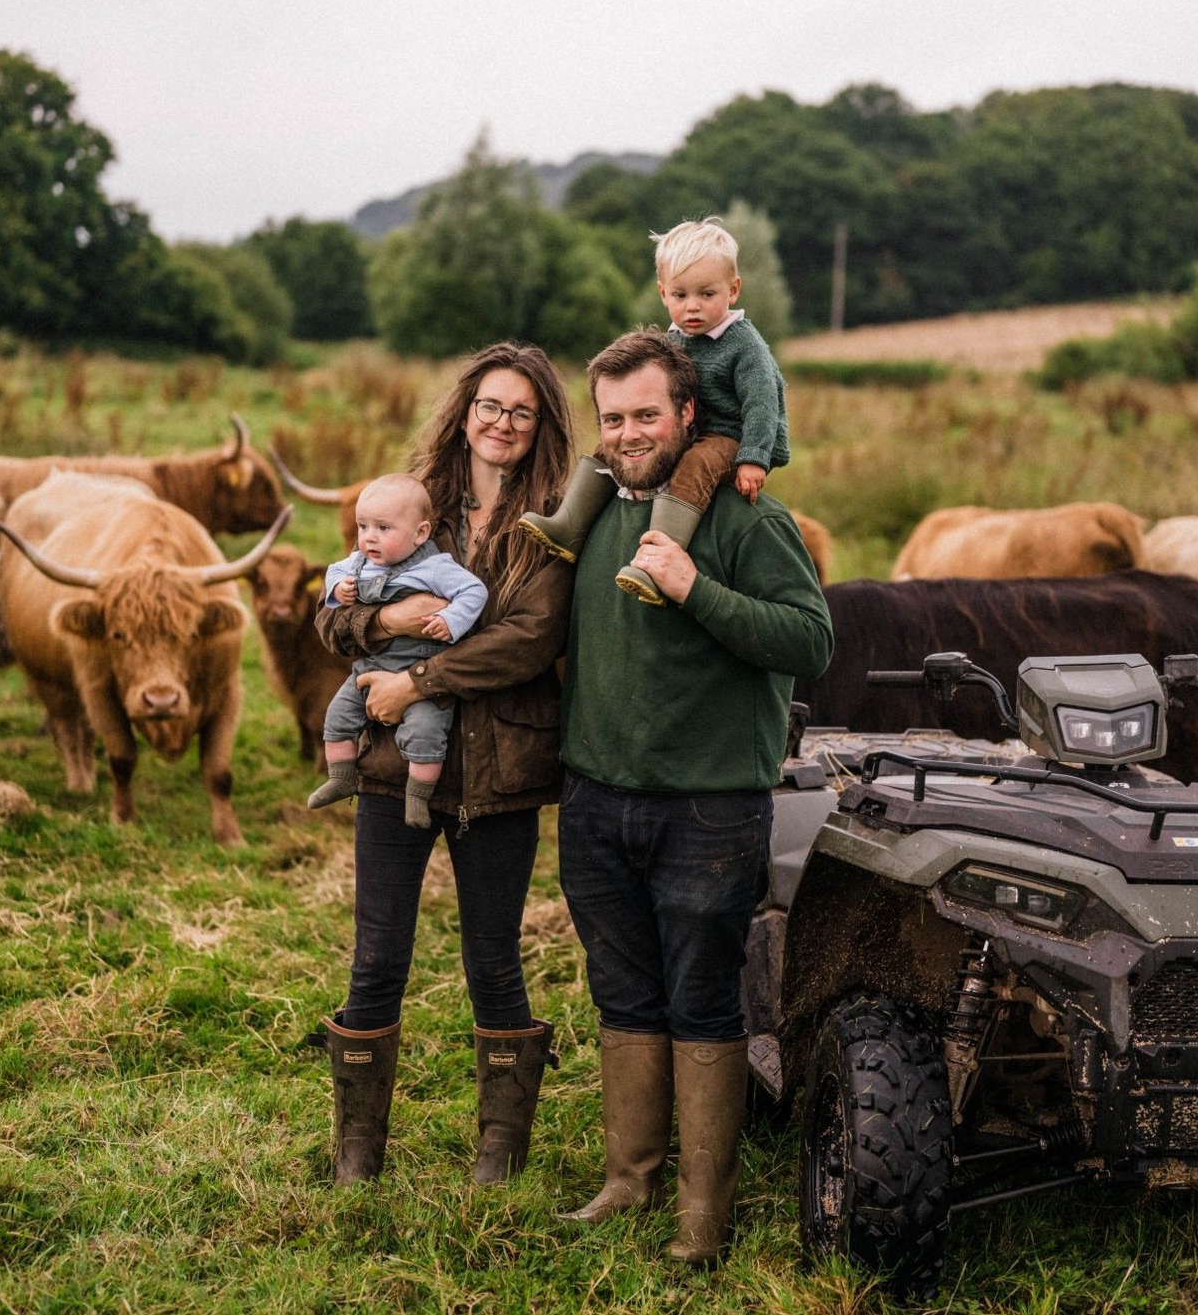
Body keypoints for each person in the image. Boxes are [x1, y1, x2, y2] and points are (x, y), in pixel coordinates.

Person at [557, 331, 832, 1264]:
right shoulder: (589, 517)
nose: (630, 433)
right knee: (623, 989)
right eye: (613, 418)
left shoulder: (744, 522)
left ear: (685, 414)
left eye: (646, 414)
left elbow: (809, 641)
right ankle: (628, 1181)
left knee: (703, 999)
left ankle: (702, 1214)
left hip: (711, 808)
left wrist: (695, 588)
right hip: (596, 800)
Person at [312, 342, 577, 1188]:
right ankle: (357, 1152)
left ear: (541, 429)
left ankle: (498, 1154)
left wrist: (417, 677)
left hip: (501, 776)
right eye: (490, 405)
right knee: (377, 954)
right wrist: (379, 630)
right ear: (466, 412)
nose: (503, 422)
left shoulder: (556, 524)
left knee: (493, 957)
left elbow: (530, 639)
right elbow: (334, 612)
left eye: (522, 411)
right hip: (394, 770)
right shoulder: (410, 505)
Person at [519, 216, 791, 605]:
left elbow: (764, 404)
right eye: (681, 296)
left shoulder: (744, 345)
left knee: (696, 465)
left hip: (733, 433)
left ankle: (658, 561)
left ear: (732, 291)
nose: (692, 307)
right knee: (610, 445)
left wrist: (753, 458)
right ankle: (569, 525)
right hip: (691, 427)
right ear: (664, 294)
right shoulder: (674, 339)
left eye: (707, 294)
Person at [308, 473, 489, 829]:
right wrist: (338, 590)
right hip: (372, 666)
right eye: (363, 526)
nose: (368, 537)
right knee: (338, 715)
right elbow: (333, 573)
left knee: (425, 732)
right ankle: (340, 777)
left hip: (423, 668)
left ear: (420, 534)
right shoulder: (360, 561)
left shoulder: (435, 567)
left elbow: (475, 593)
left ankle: (417, 797)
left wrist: (451, 620)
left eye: (382, 529)